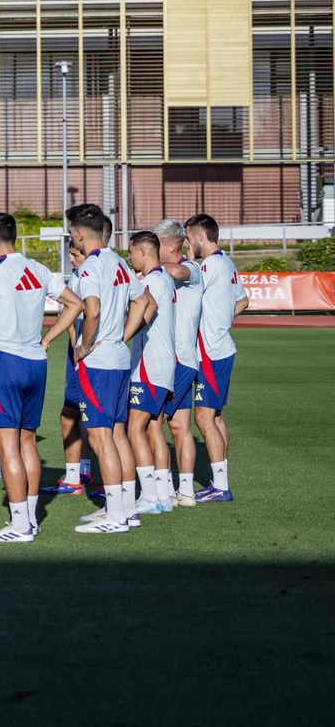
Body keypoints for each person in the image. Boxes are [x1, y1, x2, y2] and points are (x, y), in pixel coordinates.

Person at [0, 213, 80, 543]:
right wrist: (48, 338)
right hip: (36, 361)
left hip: (5, 360)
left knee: (7, 446)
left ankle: (20, 525)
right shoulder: (39, 269)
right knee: (27, 440)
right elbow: (75, 304)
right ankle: (30, 517)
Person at [69, 203, 138, 534]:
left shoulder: (90, 268)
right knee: (118, 433)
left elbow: (91, 311)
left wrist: (83, 347)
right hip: (120, 358)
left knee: (99, 437)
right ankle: (125, 507)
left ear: (80, 234)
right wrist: (123, 336)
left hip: (98, 362)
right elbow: (145, 302)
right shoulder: (120, 263)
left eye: (72, 234)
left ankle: (116, 516)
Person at [187, 212, 248, 503]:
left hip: (209, 352)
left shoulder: (209, 265)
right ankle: (220, 480)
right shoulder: (227, 262)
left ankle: (221, 486)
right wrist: (223, 321)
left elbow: (187, 289)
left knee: (204, 417)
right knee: (217, 417)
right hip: (222, 348)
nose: (188, 244)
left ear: (200, 237)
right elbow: (243, 300)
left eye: (188, 239)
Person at [124, 231, 176, 516]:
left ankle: (150, 496)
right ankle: (163, 494)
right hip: (165, 364)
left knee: (135, 429)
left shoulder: (151, 282)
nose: (130, 257)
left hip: (149, 365)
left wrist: (121, 336)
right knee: (154, 428)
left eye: (131, 252)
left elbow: (145, 313)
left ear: (142, 251)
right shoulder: (166, 279)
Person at [155, 218, 204, 505]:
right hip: (177, 359)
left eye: (156, 243)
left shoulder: (191, 269)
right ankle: (184, 491)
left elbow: (177, 270)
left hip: (177, 360)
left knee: (150, 422)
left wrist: (149, 270)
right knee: (178, 426)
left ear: (172, 244)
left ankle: (160, 490)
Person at [41, 245, 96, 498]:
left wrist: (78, 346)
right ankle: (84, 471)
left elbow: (76, 315)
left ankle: (74, 479)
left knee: (71, 415)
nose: (71, 258)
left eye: (75, 254)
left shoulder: (85, 276)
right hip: (103, 354)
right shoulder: (109, 268)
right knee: (91, 417)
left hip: (83, 355)